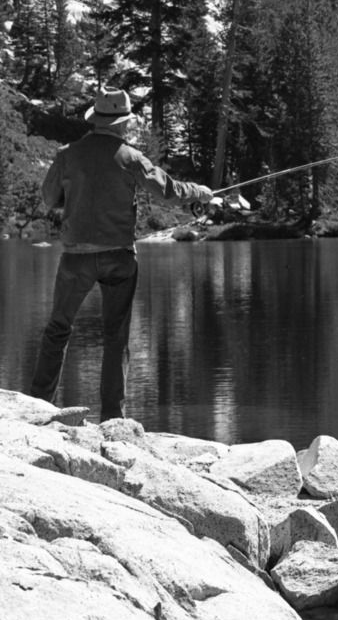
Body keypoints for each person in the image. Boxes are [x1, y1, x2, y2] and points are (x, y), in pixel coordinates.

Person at [30, 89, 212, 420]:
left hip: (76, 258)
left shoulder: (67, 154)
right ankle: (113, 419)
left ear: (97, 118)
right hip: (118, 259)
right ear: (122, 123)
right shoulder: (130, 157)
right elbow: (168, 193)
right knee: (116, 339)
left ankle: (37, 409)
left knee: (58, 329)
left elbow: (48, 198)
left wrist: (74, 199)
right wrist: (200, 192)